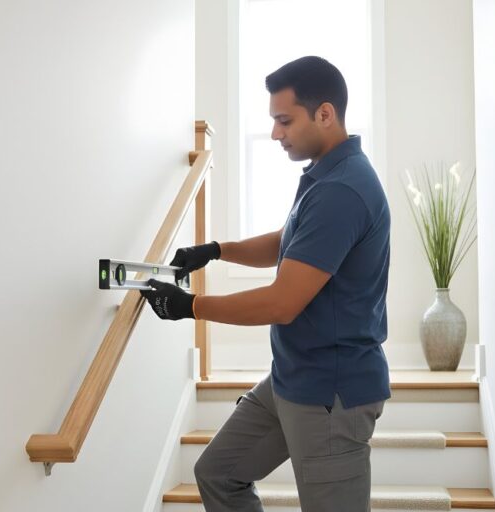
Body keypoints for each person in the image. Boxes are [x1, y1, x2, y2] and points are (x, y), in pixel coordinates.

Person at [140, 56, 391, 512]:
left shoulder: (342, 190)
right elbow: (289, 243)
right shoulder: (326, 176)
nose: (276, 133)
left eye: (284, 120)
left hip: (331, 394)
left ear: (325, 114)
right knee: (218, 473)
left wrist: (191, 307)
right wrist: (216, 249)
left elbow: (282, 303)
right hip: (292, 379)